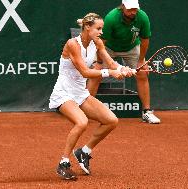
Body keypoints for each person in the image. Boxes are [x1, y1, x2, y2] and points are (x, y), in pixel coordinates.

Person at [49, 13, 134, 180]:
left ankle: (84, 152)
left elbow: (110, 62)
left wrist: (122, 69)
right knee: (81, 122)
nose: (101, 32)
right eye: (98, 28)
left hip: (80, 93)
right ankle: (64, 163)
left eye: (101, 29)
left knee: (111, 120)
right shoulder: (72, 44)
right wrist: (110, 72)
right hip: (64, 93)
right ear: (87, 27)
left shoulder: (97, 43)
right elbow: (85, 72)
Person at [87, 0, 160, 124]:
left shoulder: (142, 17)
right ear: (123, 7)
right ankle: (86, 110)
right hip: (108, 48)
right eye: (130, 9)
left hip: (131, 48)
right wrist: (99, 61)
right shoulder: (111, 18)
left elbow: (145, 39)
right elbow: (102, 42)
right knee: (96, 73)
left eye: (135, 9)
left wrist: (141, 60)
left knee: (142, 73)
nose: (133, 12)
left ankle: (146, 112)